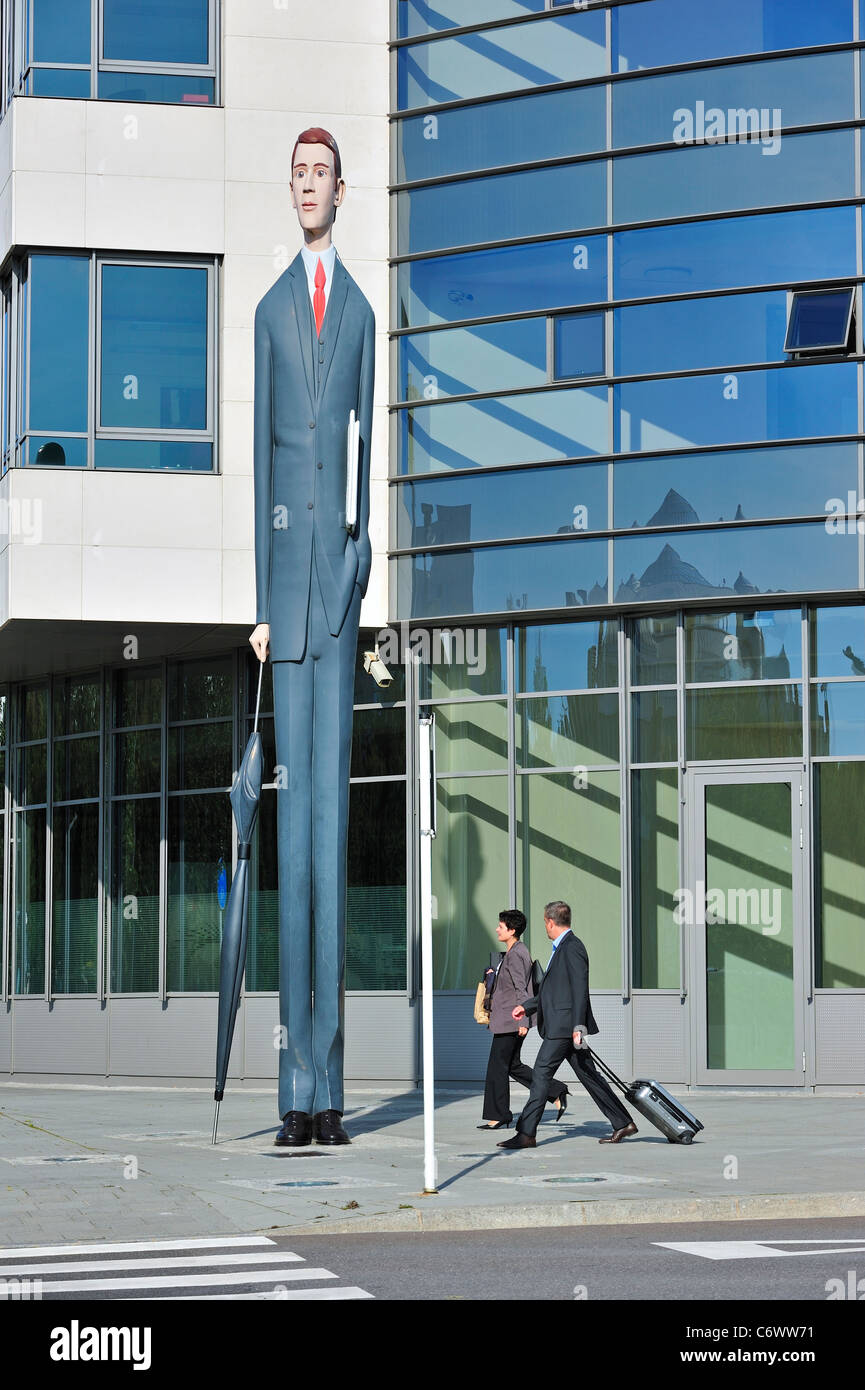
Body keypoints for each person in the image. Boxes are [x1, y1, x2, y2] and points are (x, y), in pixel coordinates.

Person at [249, 127, 375, 1148]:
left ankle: (333, 1091)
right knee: (293, 850)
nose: (307, 186)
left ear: (342, 189)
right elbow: (261, 469)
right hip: (286, 609)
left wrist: (360, 566)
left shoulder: (365, 317)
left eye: (319, 174)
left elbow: (364, 450)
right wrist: (261, 598)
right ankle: (293, 1091)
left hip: (337, 597)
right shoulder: (266, 314)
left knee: (330, 849)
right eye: (295, 174)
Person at [496, 901, 637, 1148]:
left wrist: (578, 1027)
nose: (545, 927)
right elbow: (553, 991)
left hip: (564, 1028)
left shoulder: (572, 947)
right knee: (590, 1076)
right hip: (565, 1027)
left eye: (545, 923)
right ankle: (623, 1123)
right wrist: (526, 1006)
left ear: (550, 922)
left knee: (540, 1075)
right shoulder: (562, 947)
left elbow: (580, 990)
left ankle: (527, 1133)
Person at [478, 910, 568, 1130]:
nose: (497, 929)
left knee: (497, 1068)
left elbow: (523, 990)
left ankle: (499, 1115)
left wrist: (523, 1022)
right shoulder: (512, 952)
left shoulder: (518, 953)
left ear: (512, 930)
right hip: (506, 1019)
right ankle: (555, 1091)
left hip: (512, 1020)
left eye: (501, 926)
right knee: (512, 1066)